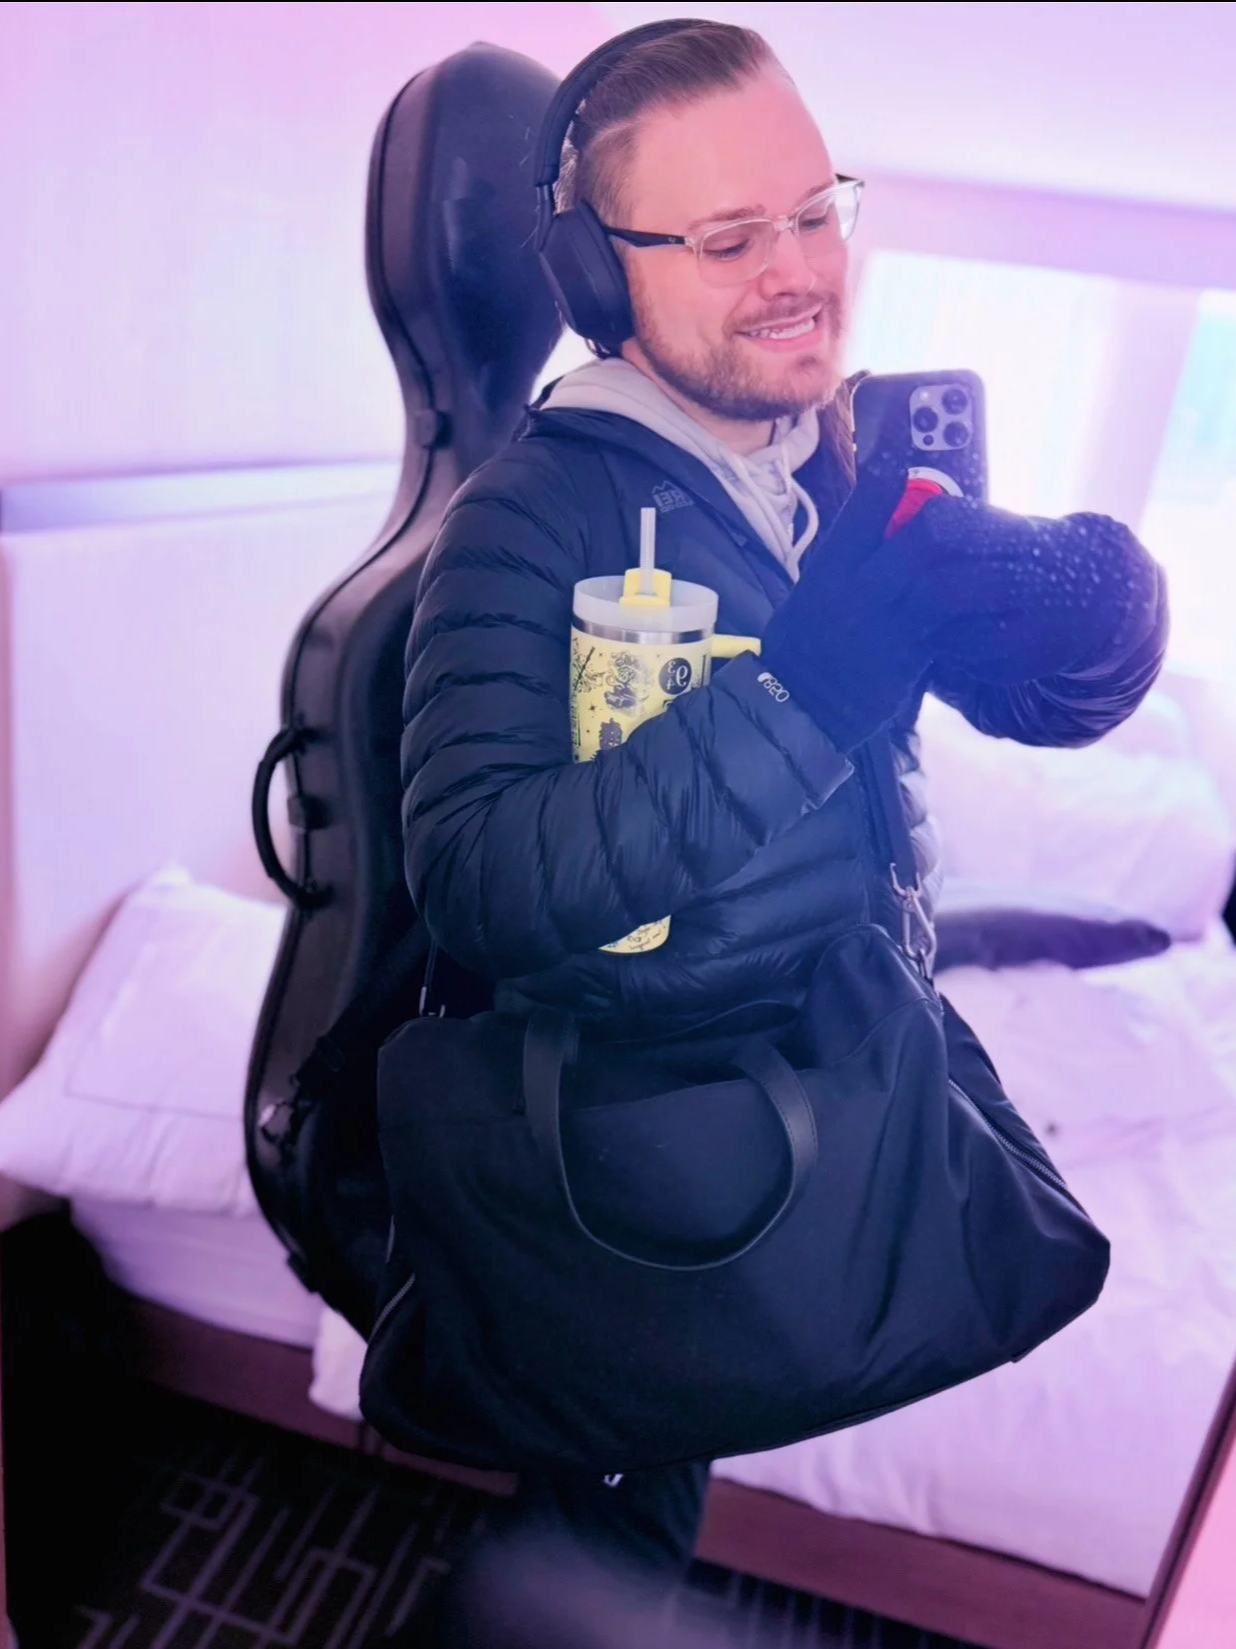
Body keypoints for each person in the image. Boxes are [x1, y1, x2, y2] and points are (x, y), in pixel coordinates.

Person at [398, 18, 1167, 1646]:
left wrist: (1100, 614)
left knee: (640, 1513)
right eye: (730, 237)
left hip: (820, 1073)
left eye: (816, 212)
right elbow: (481, 878)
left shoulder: (841, 452)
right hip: (650, 1159)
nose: (799, 269)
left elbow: (1047, 698)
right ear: (602, 278)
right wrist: (809, 689)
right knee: (597, 1549)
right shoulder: (530, 520)